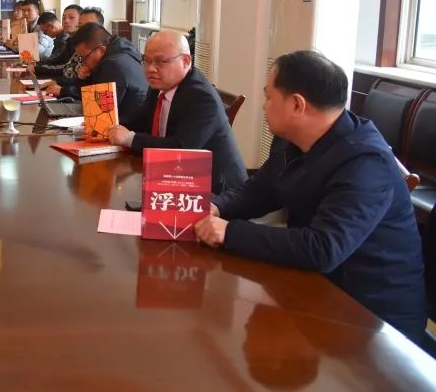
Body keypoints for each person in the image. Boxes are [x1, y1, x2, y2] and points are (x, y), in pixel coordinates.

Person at [194, 51, 427, 344]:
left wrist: (230, 232)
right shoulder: (295, 138)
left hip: (372, 321)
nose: (264, 106)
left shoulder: (365, 162)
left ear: (296, 104)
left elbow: (323, 248)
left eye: (268, 97)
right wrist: (217, 207)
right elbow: (262, 189)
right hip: (319, 286)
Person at [107, 29, 246, 195]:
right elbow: (140, 118)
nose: (151, 69)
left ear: (186, 61)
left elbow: (181, 148)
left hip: (216, 191)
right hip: (175, 175)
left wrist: (130, 138)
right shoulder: (160, 85)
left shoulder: (201, 97)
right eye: (146, 60)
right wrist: (107, 125)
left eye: (160, 61)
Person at [45, 22, 148, 121]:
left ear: (102, 50)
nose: (82, 62)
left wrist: (65, 91)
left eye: (84, 57)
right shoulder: (112, 54)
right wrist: (83, 79)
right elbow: (94, 97)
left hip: (128, 126)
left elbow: (99, 110)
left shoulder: (114, 64)